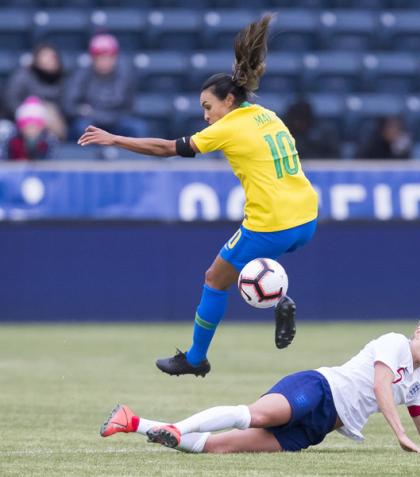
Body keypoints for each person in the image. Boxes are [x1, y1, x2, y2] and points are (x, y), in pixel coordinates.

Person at [78, 15, 319, 378]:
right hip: (308, 218)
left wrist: (115, 139)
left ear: (229, 100)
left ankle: (196, 358)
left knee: (214, 279)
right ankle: (278, 298)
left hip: (272, 222)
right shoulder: (267, 115)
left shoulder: (228, 127)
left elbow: (164, 148)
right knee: (242, 270)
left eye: (208, 107)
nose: (206, 116)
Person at [100, 304, 420, 454]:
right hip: (318, 391)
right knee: (253, 416)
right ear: (418, 332)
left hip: (317, 429)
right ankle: (173, 426)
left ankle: (133, 422)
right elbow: (379, 386)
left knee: (218, 449)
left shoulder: (418, 382)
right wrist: (398, 434)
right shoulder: (394, 344)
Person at [64, 33, 147, 141]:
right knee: (80, 127)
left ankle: (136, 158)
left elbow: (130, 107)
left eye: (108, 57)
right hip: (91, 120)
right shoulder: (81, 75)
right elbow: (69, 105)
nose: (104, 60)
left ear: (115, 57)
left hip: (117, 119)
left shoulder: (125, 75)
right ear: (93, 58)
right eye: (100, 57)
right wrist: (82, 111)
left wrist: (113, 116)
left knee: (138, 128)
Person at [5, 43, 68, 140]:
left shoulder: (63, 78)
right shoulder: (23, 76)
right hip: (23, 121)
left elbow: (67, 105)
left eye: (52, 57)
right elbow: (11, 100)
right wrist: (29, 115)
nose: (48, 60)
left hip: (54, 122)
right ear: (36, 59)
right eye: (44, 56)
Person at [4, 96, 58, 161]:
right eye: (27, 127)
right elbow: (4, 160)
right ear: (21, 128)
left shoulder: (49, 141)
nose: (31, 131)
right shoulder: (12, 140)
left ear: (41, 128)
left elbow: (51, 163)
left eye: (34, 127)